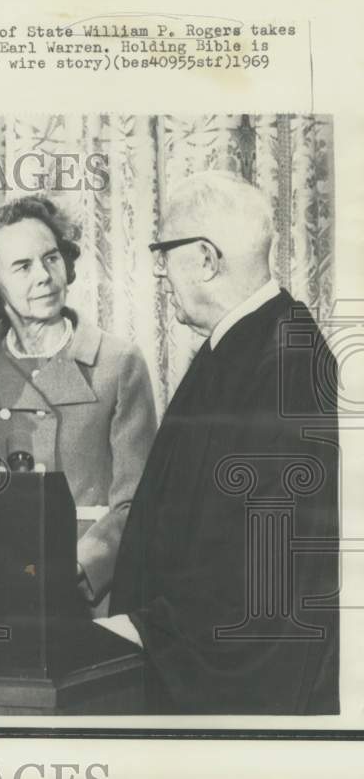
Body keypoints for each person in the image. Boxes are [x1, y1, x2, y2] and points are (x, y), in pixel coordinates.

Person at [102, 171, 340, 713]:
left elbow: (262, 570)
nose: (161, 270)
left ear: (206, 259)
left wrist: (143, 629)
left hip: (230, 682)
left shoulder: (286, 367)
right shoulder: (247, 344)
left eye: (165, 250)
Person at [0, 195, 157, 611]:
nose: (45, 276)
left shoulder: (118, 363)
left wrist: (72, 568)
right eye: (22, 266)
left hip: (93, 600)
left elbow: (138, 503)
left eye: (51, 258)